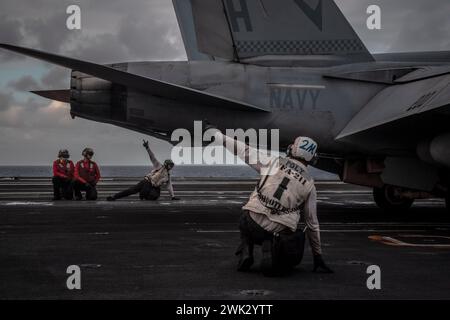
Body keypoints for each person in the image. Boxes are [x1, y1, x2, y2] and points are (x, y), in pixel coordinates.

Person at [208, 127, 333, 276]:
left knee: (244, 218)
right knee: (288, 230)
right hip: (278, 231)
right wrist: (317, 256)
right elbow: (312, 224)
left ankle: (247, 251)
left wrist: (216, 134)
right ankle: (271, 248)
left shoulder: (273, 162)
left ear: (292, 150)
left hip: (252, 224)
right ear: (312, 158)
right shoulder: (309, 185)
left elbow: (243, 150)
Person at [107, 140, 179, 201]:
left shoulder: (168, 176)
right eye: (170, 165)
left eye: (172, 165)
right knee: (132, 190)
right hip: (146, 182)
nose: (171, 167)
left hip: (155, 187)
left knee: (154, 196)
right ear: (166, 164)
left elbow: (169, 186)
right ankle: (114, 197)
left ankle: (144, 195)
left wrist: (173, 196)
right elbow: (152, 157)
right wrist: (147, 148)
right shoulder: (159, 166)